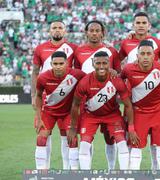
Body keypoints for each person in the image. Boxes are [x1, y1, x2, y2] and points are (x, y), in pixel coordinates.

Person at [118, 11, 160, 170]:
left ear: (149, 25)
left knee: (159, 146)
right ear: (133, 25)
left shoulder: (159, 44)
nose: (140, 26)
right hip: (135, 107)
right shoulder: (125, 44)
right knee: (135, 144)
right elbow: (117, 64)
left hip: (158, 108)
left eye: (143, 23)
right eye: (137, 23)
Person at [67, 51, 134, 170]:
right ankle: (85, 176)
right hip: (91, 116)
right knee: (84, 145)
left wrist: (131, 128)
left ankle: (119, 173)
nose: (102, 66)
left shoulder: (116, 80)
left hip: (112, 115)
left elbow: (128, 105)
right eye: (98, 63)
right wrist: (72, 127)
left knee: (122, 143)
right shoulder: (85, 82)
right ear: (93, 64)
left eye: (105, 63)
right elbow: (75, 105)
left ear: (109, 64)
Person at [73, 20, 120, 170]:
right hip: (85, 99)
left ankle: (111, 169)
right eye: (91, 30)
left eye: (97, 30)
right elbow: (77, 74)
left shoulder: (111, 51)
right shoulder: (79, 51)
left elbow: (118, 73)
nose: (94, 33)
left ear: (102, 32)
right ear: (86, 32)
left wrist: (115, 73)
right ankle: (87, 171)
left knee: (110, 138)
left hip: (107, 99)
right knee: (86, 137)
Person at [31, 20, 78, 169]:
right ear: (49, 31)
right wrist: (33, 94)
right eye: (54, 28)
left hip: (67, 100)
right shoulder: (40, 49)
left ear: (65, 31)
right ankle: (44, 170)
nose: (57, 30)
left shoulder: (73, 48)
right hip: (46, 99)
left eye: (60, 28)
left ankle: (67, 170)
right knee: (44, 134)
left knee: (67, 136)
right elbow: (35, 72)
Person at [35, 51, 85, 169]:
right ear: (51, 64)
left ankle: (73, 173)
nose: (58, 66)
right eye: (55, 63)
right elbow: (38, 96)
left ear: (67, 63)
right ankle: (41, 172)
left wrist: (111, 72)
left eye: (61, 63)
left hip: (68, 113)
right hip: (49, 112)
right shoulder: (43, 77)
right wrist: (38, 117)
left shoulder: (77, 74)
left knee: (72, 140)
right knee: (41, 139)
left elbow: (92, 78)